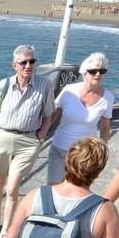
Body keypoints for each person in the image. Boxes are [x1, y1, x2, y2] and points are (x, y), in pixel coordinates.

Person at [0, 45, 56, 238]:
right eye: (24, 62)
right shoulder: (3, 85)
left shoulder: (44, 85)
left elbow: (49, 113)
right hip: (3, 136)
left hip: (28, 140)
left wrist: (41, 135)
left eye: (32, 61)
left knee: (12, 187)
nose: (29, 65)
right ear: (14, 65)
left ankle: (7, 229)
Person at [46, 52, 114, 185]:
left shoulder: (108, 98)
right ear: (84, 73)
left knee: (76, 190)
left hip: (84, 154)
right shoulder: (68, 91)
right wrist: (40, 134)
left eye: (102, 71)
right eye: (93, 71)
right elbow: (53, 114)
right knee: (53, 187)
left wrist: (103, 150)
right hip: (60, 148)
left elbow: (105, 128)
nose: (98, 74)